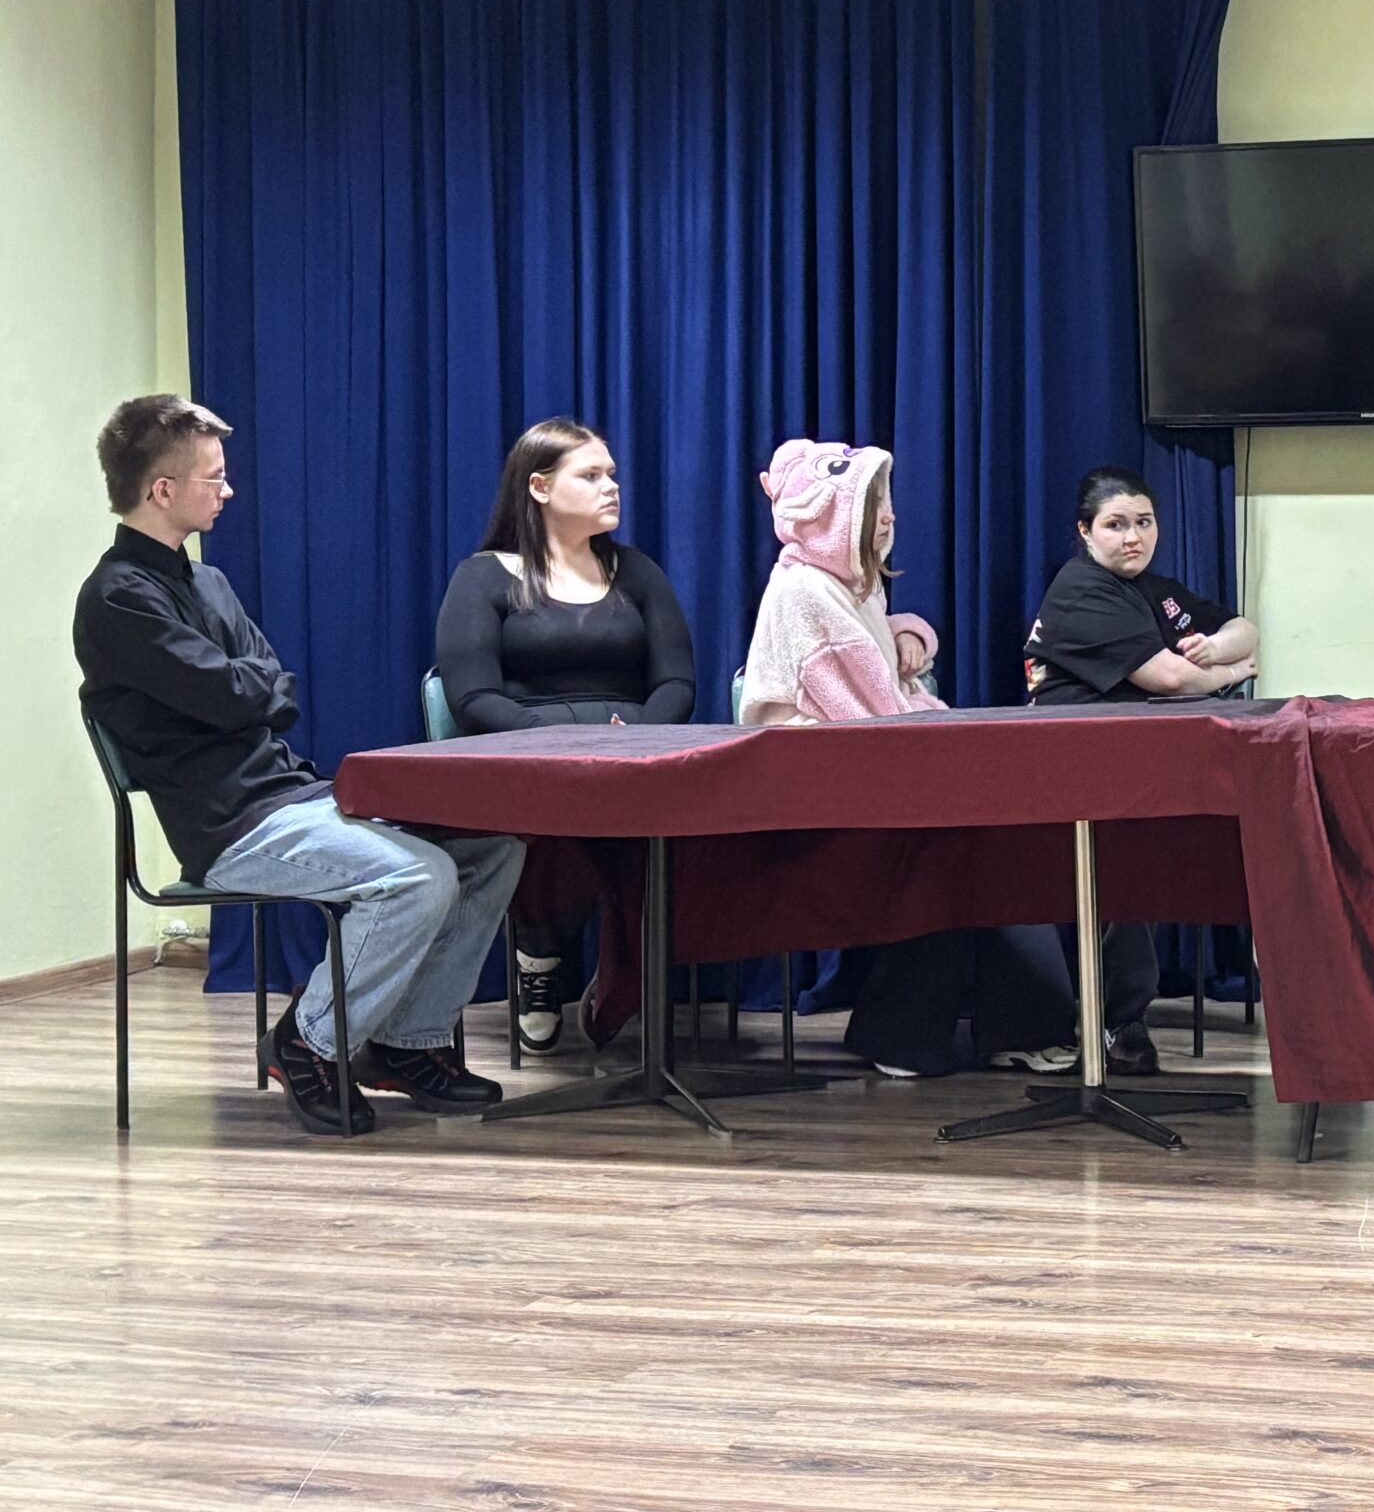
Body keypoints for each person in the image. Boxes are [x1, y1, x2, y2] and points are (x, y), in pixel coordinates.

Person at [74, 396, 522, 1134]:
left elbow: (267, 690)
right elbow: (241, 693)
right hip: (229, 827)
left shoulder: (209, 583)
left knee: (491, 848)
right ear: (162, 490)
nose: (228, 490)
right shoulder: (117, 599)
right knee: (418, 877)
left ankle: (406, 1042)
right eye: (214, 477)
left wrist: (246, 690)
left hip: (289, 796)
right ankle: (308, 1041)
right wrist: (248, 690)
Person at [741, 439, 1075, 1077]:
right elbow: (871, 719)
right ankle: (935, 1032)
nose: (890, 516)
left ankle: (923, 1031)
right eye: (872, 505)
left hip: (857, 770)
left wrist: (906, 632)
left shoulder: (848, 586)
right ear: (833, 514)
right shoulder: (807, 590)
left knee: (988, 836)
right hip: (814, 788)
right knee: (968, 845)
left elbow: (877, 695)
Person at [434, 418, 695, 1052]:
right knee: (556, 823)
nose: (612, 486)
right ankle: (540, 956)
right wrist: (560, 741)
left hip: (636, 757)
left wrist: (636, 738)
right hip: (530, 757)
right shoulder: (483, 577)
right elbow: (472, 697)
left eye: (612, 474)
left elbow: (677, 682)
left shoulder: (637, 572)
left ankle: (625, 971)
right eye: (592, 475)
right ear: (540, 487)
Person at [1023, 465, 1258, 1076]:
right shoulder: (1082, 591)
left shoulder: (1154, 589)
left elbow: (1245, 629)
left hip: (1140, 767)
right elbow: (1171, 680)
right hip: (1072, 774)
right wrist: (1232, 673)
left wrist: (1218, 649)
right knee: (1124, 874)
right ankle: (1114, 1020)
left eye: (1145, 522)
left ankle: (1122, 1013)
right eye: (1116, 525)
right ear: (1085, 532)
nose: (1134, 537)